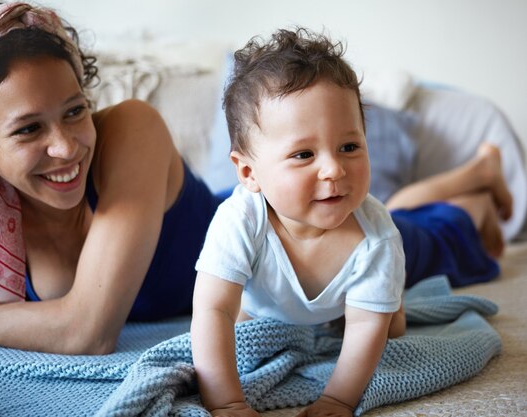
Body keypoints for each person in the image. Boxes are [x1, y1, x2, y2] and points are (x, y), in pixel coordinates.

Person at [190, 28, 512, 417]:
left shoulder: (377, 237)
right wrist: (225, 403)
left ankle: (477, 197)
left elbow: (362, 330)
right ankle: (475, 178)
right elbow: (213, 310)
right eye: (304, 154)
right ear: (248, 172)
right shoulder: (238, 220)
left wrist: (337, 399)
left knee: (423, 271)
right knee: (399, 210)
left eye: (349, 147)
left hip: (406, 239)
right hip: (294, 286)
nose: (334, 168)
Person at [0, 2, 220, 354]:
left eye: (74, 110)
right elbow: (10, 312)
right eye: (29, 128)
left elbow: (87, 334)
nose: (66, 148)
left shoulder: (134, 130)